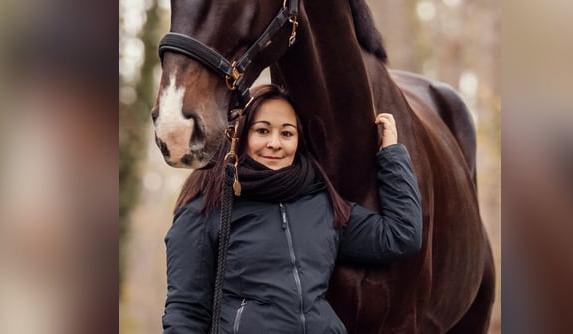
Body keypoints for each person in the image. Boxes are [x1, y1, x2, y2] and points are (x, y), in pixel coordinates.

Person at [163, 84, 422, 333]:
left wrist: (392, 156)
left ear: (299, 141)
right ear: (239, 135)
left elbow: (401, 235)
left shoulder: (320, 202)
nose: (275, 143)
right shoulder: (206, 209)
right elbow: (186, 312)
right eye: (262, 131)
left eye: (287, 133)